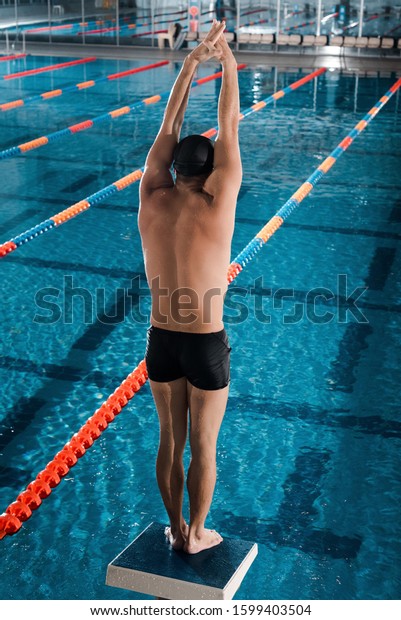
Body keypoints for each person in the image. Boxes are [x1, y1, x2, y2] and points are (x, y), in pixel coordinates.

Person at [138, 20, 242, 554]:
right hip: (204, 342)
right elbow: (230, 123)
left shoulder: (151, 195)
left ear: (174, 167)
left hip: (161, 340)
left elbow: (168, 124)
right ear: (212, 170)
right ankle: (196, 537)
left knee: (170, 440)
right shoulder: (218, 203)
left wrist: (191, 63)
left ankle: (174, 525)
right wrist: (226, 62)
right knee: (204, 442)